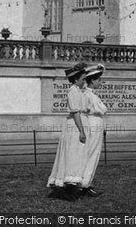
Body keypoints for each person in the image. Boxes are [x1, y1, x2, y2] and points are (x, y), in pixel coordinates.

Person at [47, 62, 89, 201]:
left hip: (77, 125)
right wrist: (82, 131)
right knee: (73, 155)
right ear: (76, 80)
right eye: (83, 79)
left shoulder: (78, 91)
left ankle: (73, 186)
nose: (85, 81)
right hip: (74, 127)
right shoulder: (73, 92)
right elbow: (76, 113)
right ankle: (69, 189)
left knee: (77, 154)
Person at [80, 64, 108, 197]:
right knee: (91, 154)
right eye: (98, 80)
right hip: (93, 125)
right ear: (92, 81)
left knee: (91, 154)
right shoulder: (89, 95)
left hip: (95, 123)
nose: (100, 82)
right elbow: (102, 110)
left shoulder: (90, 95)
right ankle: (85, 185)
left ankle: (85, 183)